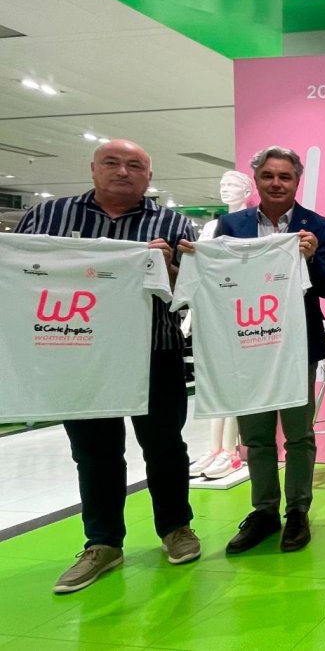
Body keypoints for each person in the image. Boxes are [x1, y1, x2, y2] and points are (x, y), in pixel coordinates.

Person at [15, 139, 200, 593]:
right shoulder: (47, 218)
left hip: (154, 352)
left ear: (148, 176)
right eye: (112, 163)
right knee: (94, 452)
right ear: (93, 169)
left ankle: (176, 528)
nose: (123, 171)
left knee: (165, 447)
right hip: (79, 353)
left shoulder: (172, 223)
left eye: (135, 165)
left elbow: (191, 292)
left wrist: (171, 269)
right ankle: (102, 543)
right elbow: (20, 274)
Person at [191, 145, 325, 554]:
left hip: (296, 346)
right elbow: (215, 279)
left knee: (299, 434)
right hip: (247, 345)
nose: (276, 183)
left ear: (297, 181)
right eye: (269, 176)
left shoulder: (320, 227)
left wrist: (310, 259)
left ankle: (298, 512)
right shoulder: (229, 226)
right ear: (256, 180)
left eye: (285, 176)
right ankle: (264, 512)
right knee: (255, 436)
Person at [186, 170, 253, 480]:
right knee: (214, 382)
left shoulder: (253, 226)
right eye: (223, 184)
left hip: (240, 309)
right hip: (212, 308)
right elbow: (198, 267)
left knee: (236, 383)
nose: (226, 189)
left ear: (247, 190)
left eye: (233, 184)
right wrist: (190, 313)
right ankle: (213, 448)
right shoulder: (212, 226)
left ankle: (230, 451)